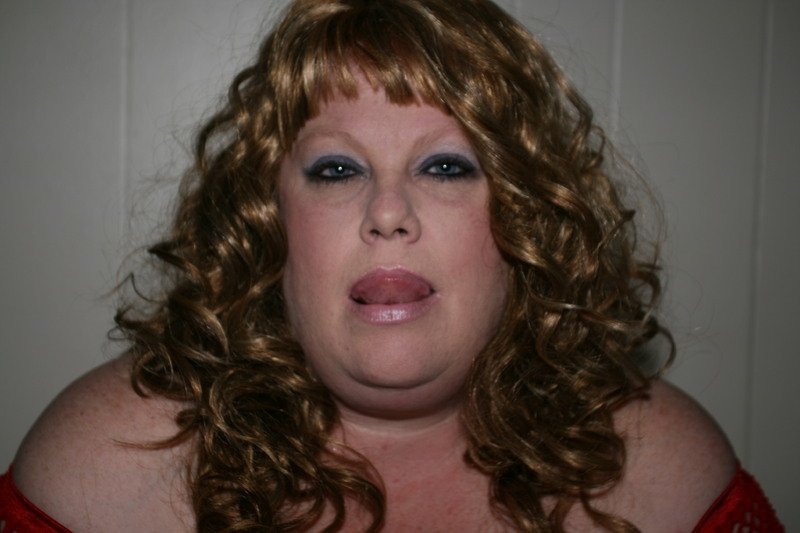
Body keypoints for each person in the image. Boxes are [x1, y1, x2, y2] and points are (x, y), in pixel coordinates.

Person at [0, 0, 783, 531]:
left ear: (526, 219)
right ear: (268, 222)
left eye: (445, 166)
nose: (387, 211)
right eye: (337, 169)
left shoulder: (666, 478)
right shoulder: (99, 473)